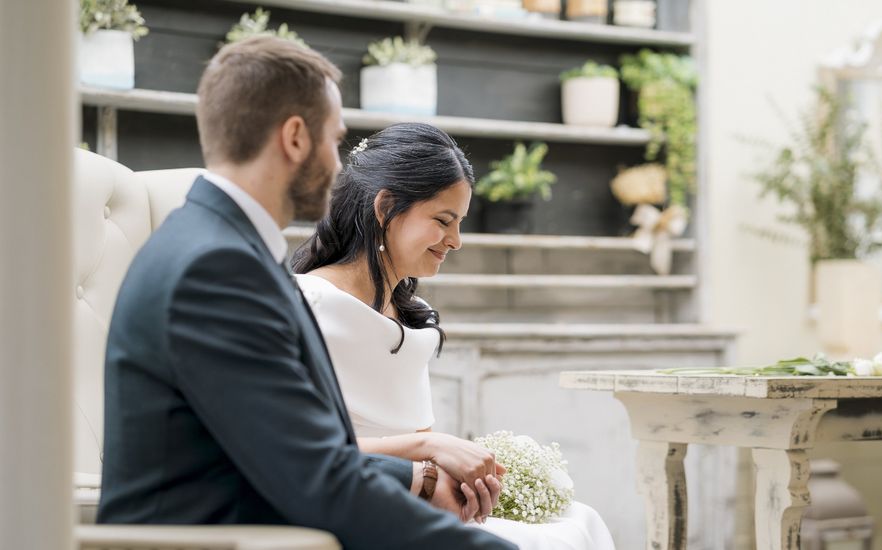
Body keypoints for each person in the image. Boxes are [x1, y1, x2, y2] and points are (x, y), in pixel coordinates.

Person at [96, 36, 515, 550]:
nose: (342, 167)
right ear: (295, 137)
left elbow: (300, 457)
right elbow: (317, 478)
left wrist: (422, 477)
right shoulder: (216, 268)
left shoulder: (225, 249)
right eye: (334, 141)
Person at [291, 122, 616, 550]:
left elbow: (420, 446)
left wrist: (460, 478)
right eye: (444, 220)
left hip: (422, 505)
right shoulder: (309, 302)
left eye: (459, 222)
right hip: (360, 511)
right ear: (385, 207)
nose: (456, 240)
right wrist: (430, 452)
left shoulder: (414, 316)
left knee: (579, 521)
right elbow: (300, 448)